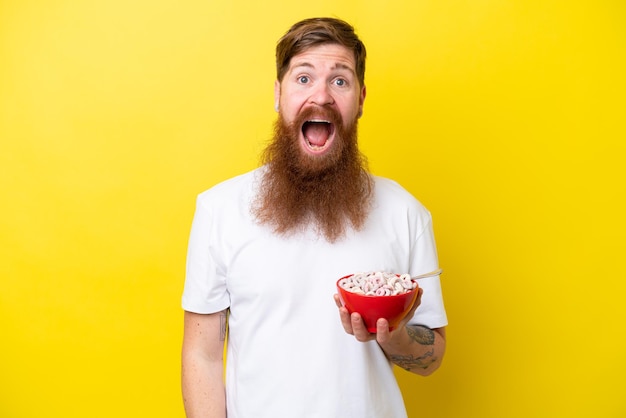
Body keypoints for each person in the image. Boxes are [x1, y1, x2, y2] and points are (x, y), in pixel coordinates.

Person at [181, 17, 447, 418]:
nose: (320, 96)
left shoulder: (406, 213)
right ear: (278, 94)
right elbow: (201, 355)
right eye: (303, 78)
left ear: (361, 98)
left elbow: (433, 355)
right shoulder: (220, 208)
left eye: (340, 81)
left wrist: (394, 338)